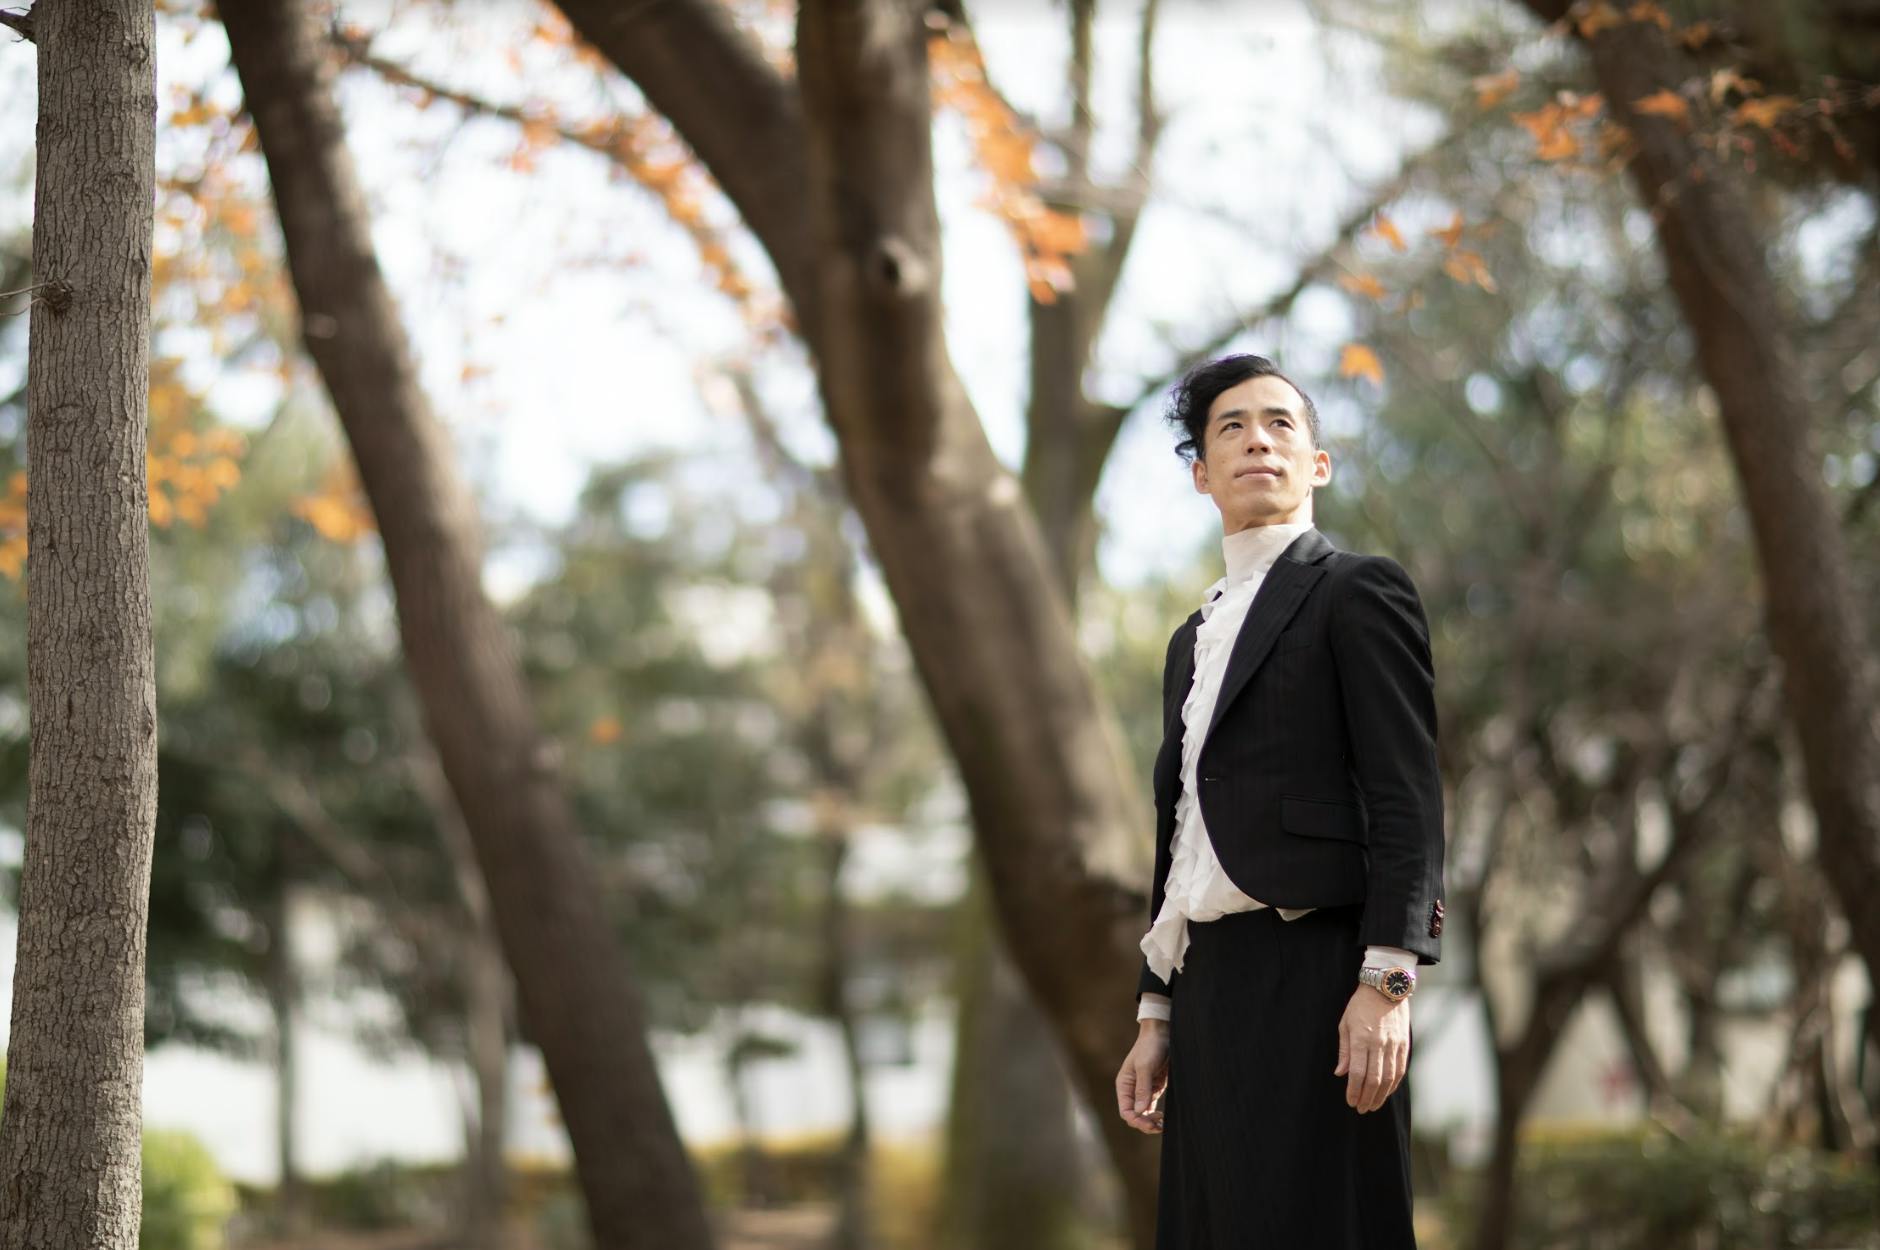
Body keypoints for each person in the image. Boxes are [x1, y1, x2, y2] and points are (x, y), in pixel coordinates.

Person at [1112, 354, 1445, 1249]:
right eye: (1232, 427)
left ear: (1317, 464)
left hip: (1322, 974)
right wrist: (1156, 1011)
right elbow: (1180, 835)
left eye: (1279, 423)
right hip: (1209, 988)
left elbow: (1408, 798)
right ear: (1202, 474)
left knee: (1327, 1225)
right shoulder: (1190, 641)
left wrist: (1387, 980)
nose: (1257, 439)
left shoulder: (1357, 590)